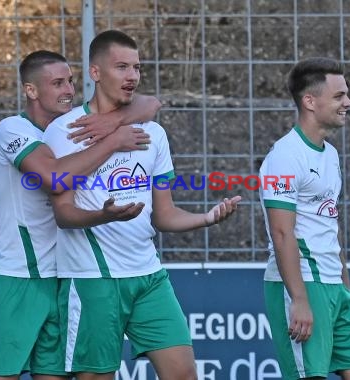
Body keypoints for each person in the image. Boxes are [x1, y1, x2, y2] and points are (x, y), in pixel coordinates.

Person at [42, 30, 241, 380]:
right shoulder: (64, 131)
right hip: (93, 280)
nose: (132, 76)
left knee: (183, 374)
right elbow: (63, 214)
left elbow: (164, 215)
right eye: (121, 67)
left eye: (137, 67)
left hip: (149, 278)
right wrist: (102, 215)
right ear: (95, 72)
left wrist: (206, 218)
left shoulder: (154, 133)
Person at [0, 50, 162, 380]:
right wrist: (113, 140)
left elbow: (151, 103)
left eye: (71, 82)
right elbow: (54, 178)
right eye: (57, 83)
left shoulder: (74, 127)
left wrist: (114, 120)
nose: (68, 90)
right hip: (19, 276)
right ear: (31, 90)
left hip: (66, 279)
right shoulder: (13, 129)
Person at [259, 57, 350, 380]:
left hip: (336, 289)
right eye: (339, 95)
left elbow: (329, 225)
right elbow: (282, 233)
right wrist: (299, 299)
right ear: (310, 101)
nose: (348, 103)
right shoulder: (284, 156)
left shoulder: (331, 154)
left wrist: (346, 289)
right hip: (303, 287)